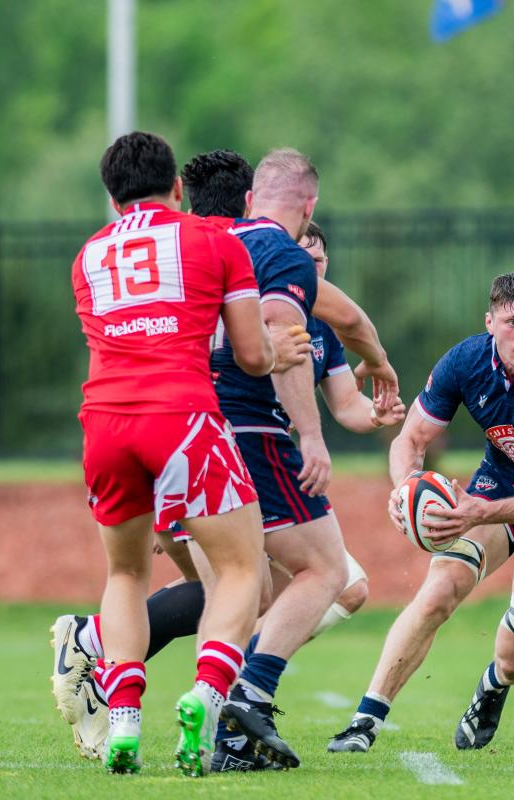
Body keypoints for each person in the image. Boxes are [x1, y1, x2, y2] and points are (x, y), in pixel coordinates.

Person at [52, 150, 403, 771]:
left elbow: (340, 316)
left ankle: (126, 688)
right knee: (319, 575)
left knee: (205, 584)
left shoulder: (101, 253)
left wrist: (367, 365)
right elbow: (263, 340)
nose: (312, 268)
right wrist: (309, 424)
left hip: (110, 424)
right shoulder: (236, 250)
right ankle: (238, 699)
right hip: (209, 425)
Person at [69, 131, 310, 776]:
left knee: (124, 575)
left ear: (111, 196)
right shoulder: (214, 240)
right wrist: (281, 352)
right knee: (238, 571)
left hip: (105, 422)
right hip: (183, 417)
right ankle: (205, 694)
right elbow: (253, 355)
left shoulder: (88, 255)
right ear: (177, 187)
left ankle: (121, 717)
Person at [328, 271, 514, 753]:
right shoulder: (466, 361)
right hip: (499, 484)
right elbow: (410, 440)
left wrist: (480, 511)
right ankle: (365, 720)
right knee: (439, 590)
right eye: (513, 321)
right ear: (490, 322)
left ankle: (494, 685)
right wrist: (404, 489)